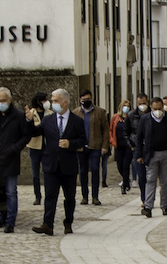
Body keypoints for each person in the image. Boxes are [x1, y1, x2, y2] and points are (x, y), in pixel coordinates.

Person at [32, 89, 87, 235]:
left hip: (68, 165)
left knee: (69, 197)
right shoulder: (48, 120)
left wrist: (70, 143)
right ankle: (47, 224)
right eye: (52, 100)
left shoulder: (77, 121)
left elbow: (83, 140)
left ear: (65, 102)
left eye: (56, 100)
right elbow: (35, 132)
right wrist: (28, 121)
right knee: (50, 196)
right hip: (51, 164)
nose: (53, 103)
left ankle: (68, 222)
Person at [0, 88, 31, 233]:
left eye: (3, 100)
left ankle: (10, 221)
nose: (0, 103)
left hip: (10, 159)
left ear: (10, 100)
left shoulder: (19, 116)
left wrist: (14, 148)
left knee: (10, 192)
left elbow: (25, 136)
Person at [137, 96, 167, 217]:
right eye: (155, 108)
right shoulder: (145, 119)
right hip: (152, 154)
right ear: (151, 108)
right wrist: (139, 154)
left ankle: (164, 206)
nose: (157, 111)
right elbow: (139, 138)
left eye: (160, 108)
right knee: (150, 179)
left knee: (166, 181)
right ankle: (148, 206)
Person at [81, 93, 109, 206]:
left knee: (95, 170)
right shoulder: (76, 112)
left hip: (96, 146)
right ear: (80, 99)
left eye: (88, 99)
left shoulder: (100, 112)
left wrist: (105, 145)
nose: (86, 101)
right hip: (81, 147)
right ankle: (84, 196)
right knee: (82, 172)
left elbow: (106, 130)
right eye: (84, 99)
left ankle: (95, 196)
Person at [24, 92, 48, 205]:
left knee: (47, 172)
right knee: (35, 174)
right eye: (44, 100)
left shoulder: (50, 113)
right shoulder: (31, 114)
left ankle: (48, 194)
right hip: (34, 147)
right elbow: (29, 130)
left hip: (47, 146)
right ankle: (37, 196)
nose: (46, 102)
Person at [111, 99, 134, 196]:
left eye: (128, 106)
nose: (126, 107)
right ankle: (126, 179)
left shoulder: (132, 117)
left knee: (126, 165)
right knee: (119, 165)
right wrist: (112, 141)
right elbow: (111, 129)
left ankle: (124, 185)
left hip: (128, 146)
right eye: (124, 105)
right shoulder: (116, 117)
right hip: (118, 145)